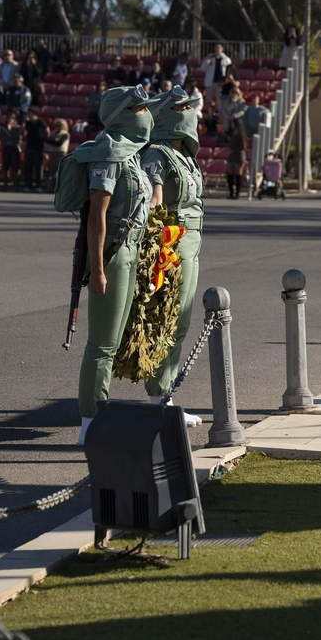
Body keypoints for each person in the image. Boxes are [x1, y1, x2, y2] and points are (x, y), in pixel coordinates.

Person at [72, 85, 164, 442]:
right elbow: (98, 217)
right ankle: (90, 421)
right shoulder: (109, 153)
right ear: (121, 115)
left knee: (114, 340)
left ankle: (99, 416)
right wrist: (96, 269)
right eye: (138, 109)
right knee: (102, 344)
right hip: (112, 255)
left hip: (133, 251)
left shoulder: (131, 154)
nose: (145, 115)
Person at [140, 91, 206, 423]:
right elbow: (154, 197)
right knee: (167, 321)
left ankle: (164, 397)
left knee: (181, 321)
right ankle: (160, 400)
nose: (189, 112)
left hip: (191, 243)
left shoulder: (185, 156)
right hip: (172, 244)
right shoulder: (158, 153)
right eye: (181, 108)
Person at [23, 108, 49, 192]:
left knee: (38, 168)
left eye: (30, 113)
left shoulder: (40, 123)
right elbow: (22, 132)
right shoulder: (28, 123)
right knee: (28, 167)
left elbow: (47, 132)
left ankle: (38, 186)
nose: (28, 115)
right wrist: (24, 123)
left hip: (38, 148)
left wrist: (43, 139)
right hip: (29, 147)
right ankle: (28, 185)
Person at [225, 116, 246, 200]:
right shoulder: (233, 133)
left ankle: (237, 193)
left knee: (238, 173)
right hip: (233, 154)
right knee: (230, 172)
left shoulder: (241, 134)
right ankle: (231, 192)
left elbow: (243, 146)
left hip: (238, 154)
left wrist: (233, 148)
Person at [46, 117, 71, 187]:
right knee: (52, 170)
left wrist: (53, 141)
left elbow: (59, 143)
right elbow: (48, 140)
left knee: (60, 170)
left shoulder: (65, 134)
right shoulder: (53, 133)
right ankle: (51, 186)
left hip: (61, 153)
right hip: (53, 152)